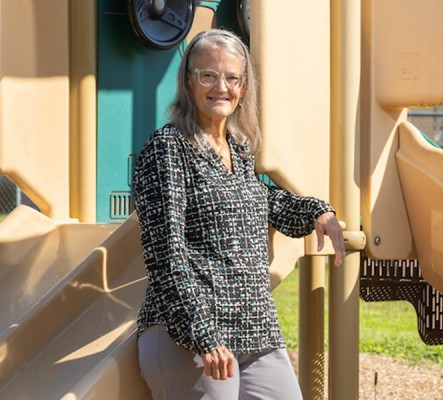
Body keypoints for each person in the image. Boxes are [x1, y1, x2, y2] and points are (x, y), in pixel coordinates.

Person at [133, 29, 346, 400]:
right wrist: (203, 333)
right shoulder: (167, 148)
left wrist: (318, 210)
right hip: (190, 335)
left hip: (254, 328)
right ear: (188, 81)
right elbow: (164, 253)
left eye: (232, 78)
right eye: (208, 75)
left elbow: (263, 201)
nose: (221, 87)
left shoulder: (238, 148)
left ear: (244, 87)